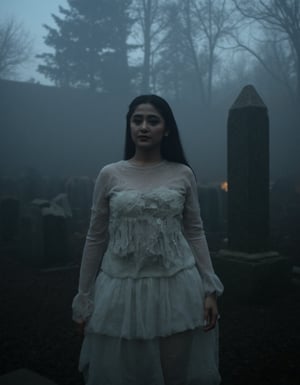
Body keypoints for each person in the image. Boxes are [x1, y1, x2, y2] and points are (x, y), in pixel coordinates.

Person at [72, 94, 224, 385]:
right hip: (120, 289)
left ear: (166, 129)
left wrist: (209, 288)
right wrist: (83, 296)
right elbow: (95, 237)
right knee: (127, 373)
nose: (143, 126)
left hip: (176, 287)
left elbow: (194, 231)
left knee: (173, 373)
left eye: (152, 121)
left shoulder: (182, 173)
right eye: (137, 120)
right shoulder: (110, 174)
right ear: (129, 126)